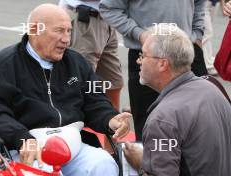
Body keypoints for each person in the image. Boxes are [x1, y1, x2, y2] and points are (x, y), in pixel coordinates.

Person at [0, 4, 131, 176]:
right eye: (59, 31)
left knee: (103, 164)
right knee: (40, 170)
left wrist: (110, 119)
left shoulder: (77, 63)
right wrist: (21, 138)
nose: (66, 39)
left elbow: (95, 102)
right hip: (27, 147)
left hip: (72, 143)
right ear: (34, 30)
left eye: (69, 31)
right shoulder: (1, 66)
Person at [122, 24, 231, 175]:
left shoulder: (163, 119)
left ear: (163, 64)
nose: (138, 61)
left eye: (143, 55)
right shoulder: (213, 87)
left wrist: (140, 162)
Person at [99, 0, 208, 141]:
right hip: (147, 54)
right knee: (148, 129)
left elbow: (200, 3)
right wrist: (140, 35)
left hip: (187, 51)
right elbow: (109, 8)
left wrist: (197, 33)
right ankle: (150, 162)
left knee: (200, 122)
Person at [59, 0, 123, 111]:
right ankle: (77, 125)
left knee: (113, 83)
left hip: (106, 17)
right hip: (84, 18)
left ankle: (112, 123)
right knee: (80, 85)